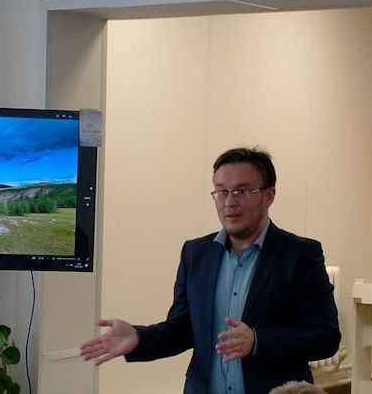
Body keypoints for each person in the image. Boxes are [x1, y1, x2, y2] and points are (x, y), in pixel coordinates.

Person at [80, 146, 341, 394]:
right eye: (221, 192)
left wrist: (257, 340)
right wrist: (139, 337)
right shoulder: (196, 253)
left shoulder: (300, 254)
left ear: (268, 196)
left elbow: (326, 338)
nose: (229, 202)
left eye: (241, 192)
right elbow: (182, 330)